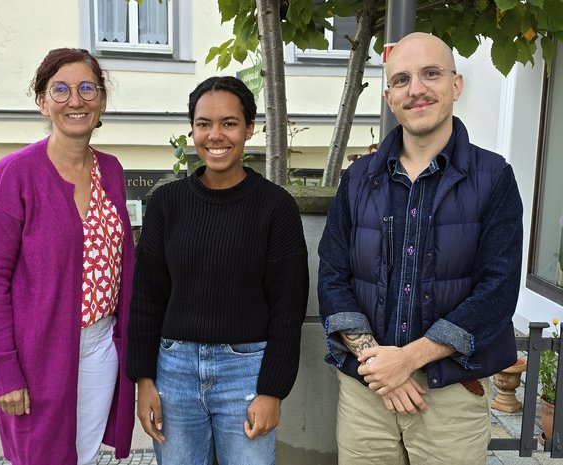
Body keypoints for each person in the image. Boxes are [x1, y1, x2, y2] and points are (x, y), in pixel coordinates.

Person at [318, 32, 523, 464]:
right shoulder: (358, 180)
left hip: (450, 396)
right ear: (390, 94)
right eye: (402, 79)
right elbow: (333, 275)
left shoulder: (494, 177)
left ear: (456, 84)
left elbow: (498, 289)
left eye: (431, 74)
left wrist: (408, 360)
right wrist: (382, 368)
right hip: (366, 395)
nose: (416, 89)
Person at [127, 76, 309, 465]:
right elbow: (146, 297)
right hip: (173, 371)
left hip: (246, 373)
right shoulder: (166, 204)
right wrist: (144, 382)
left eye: (229, 123)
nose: (215, 135)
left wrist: (272, 391)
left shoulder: (275, 208)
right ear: (191, 129)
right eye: (203, 123)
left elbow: (288, 307)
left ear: (250, 128)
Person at [0, 48, 135, 465]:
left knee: (84, 455)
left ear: (101, 100)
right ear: (42, 101)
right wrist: (4, 371)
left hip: (100, 347)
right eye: (60, 89)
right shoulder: (13, 174)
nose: (75, 100)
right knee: (41, 458)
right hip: (37, 354)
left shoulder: (112, 170)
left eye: (87, 88)